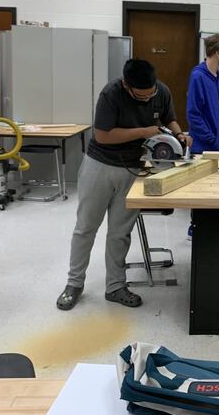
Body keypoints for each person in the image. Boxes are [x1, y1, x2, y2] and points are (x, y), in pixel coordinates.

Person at [57, 59, 190, 311]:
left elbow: (169, 119)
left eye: (150, 94)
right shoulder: (111, 93)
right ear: (126, 86)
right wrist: (143, 132)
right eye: (141, 96)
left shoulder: (161, 91)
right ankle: (74, 284)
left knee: (120, 233)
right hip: (100, 165)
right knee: (86, 228)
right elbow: (102, 135)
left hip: (134, 169)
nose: (147, 98)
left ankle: (115, 286)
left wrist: (179, 134)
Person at [187, 33, 219, 154]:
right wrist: (212, 139)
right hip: (204, 148)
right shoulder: (198, 76)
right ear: (218, 53)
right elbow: (193, 115)